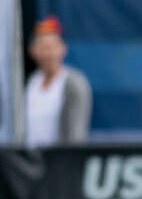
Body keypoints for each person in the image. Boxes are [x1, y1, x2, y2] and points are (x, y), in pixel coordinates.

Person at [25, 15, 92, 148]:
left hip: (59, 160)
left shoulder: (73, 83)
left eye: (51, 47)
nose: (47, 54)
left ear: (62, 48)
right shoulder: (32, 82)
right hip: (31, 160)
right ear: (33, 51)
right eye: (42, 47)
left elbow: (76, 132)